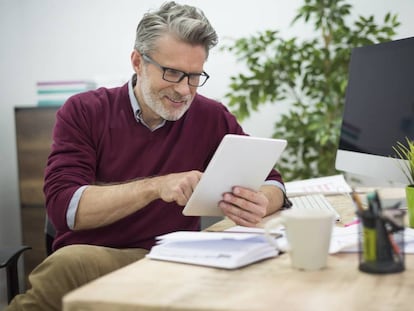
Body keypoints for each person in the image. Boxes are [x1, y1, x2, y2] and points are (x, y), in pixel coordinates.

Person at [6, 2, 288, 310]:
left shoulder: (210, 115)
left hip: (172, 259)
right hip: (94, 256)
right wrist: (157, 186)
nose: (184, 90)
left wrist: (261, 201)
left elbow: (274, 183)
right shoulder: (84, 111)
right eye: (172, 73)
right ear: (138, 62)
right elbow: (66, 208)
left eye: (194, 76)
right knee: (64, 267)